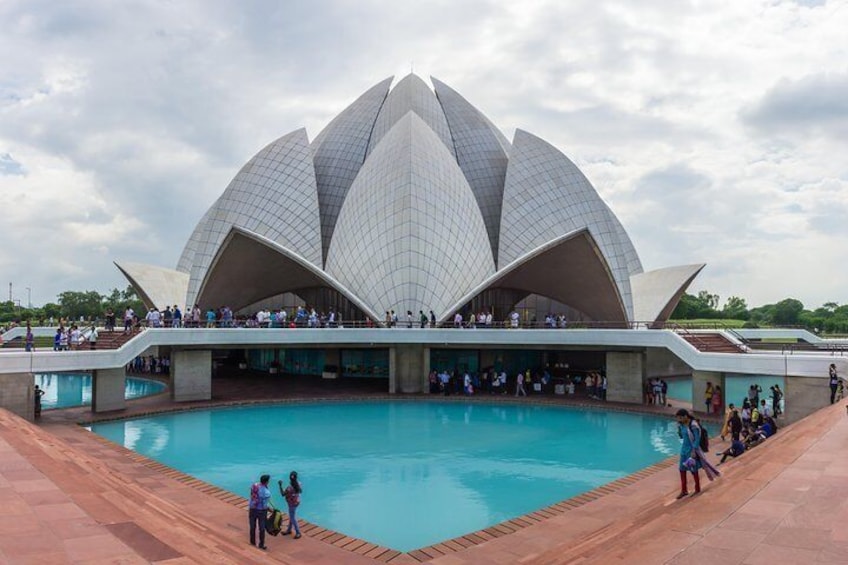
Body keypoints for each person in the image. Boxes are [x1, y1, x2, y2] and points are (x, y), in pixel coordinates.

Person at [674, 409, 720, 499]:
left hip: (692, 451)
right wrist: (679, 429)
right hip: (684, 450)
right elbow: (681, 437)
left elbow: (697, 439)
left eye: (680, 418)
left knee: (693, 470)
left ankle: (697, 488)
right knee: (681, 469)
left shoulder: (694, 425)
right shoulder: (682, 425)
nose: (679, 420)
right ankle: (684, 490)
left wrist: (693, 451)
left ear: (685, 416)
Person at [248, 474, 272, 550]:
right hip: (261, 511)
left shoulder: (254, 485)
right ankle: (261, 544)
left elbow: (251, 495)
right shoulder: (267, 492)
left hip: (252, 509)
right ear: (267, 482)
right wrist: (270, 509)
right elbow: (265, 505)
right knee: (261, 528)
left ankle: (252, 542)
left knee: (252, 526)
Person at [279, 471, 302, 539]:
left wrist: (280, 485)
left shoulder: (289, 488)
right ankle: (289, 530)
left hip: (291, 504)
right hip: (296, 502)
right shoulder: (299, 484)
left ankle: (298, 532)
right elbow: (300, 491)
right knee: (292, 515)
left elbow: (283, 494)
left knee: (292, 518)